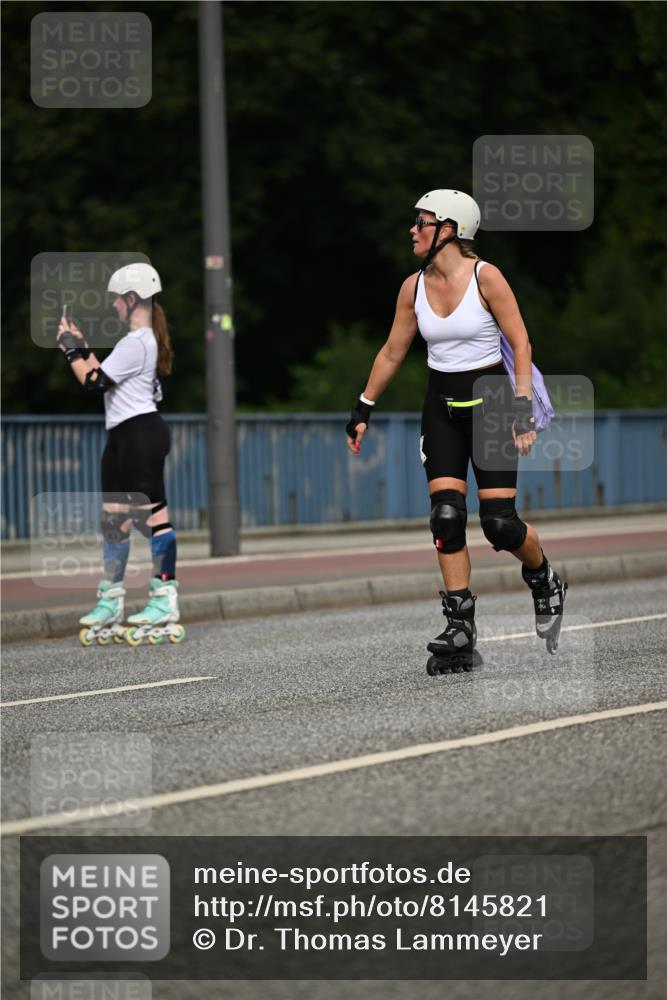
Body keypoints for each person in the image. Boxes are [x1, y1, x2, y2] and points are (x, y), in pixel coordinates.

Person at [346, 189, 566, 673]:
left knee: (500, 524)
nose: (412, 229)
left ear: (450, 229)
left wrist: (523, 408)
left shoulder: (486, 277)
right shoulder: (413, 287)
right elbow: (391, 352)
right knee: (446, 517)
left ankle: (544, 576)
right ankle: (460, 626)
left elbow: (520, 341)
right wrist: (363, 407)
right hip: (440, 407)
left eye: (421, 222)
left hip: (493, 405)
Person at [57, 262, 185, 646]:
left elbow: (93, 383)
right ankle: (111, 601)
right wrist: (81, 346)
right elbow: (105, 374)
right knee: (114, 521)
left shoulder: (137, 341)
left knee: (153, 517)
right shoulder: (135, 342)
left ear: (132, 299)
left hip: (140, 435)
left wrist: (67, 347)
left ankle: (165, 599)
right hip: (122, 437)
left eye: (117, 298)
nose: (113, 305)